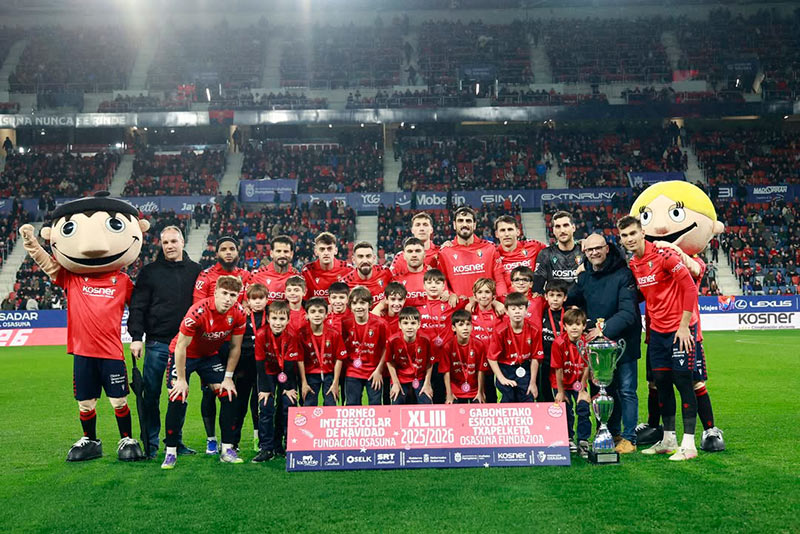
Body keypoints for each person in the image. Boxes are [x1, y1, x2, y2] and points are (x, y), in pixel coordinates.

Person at [19, 193, 149, 462]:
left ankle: (126, 438)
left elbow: (139, 309)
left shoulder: (122, 280)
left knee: (119, 401)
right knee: (86, 403)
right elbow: (46, 262)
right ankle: (90, 440)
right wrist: (31, 242)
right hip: (83, 353)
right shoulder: (71, 277)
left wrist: (138, 336)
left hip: (112, 352)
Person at [618, 215, 699, 461]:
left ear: (642, 233)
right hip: (657, 333)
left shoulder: (665, 255)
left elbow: (690, 287)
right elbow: (645, 295)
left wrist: (684, 326)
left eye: (633, 233)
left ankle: (689, 445)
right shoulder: (634, 264)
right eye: (624, 235)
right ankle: (668, 440)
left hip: (679, 331)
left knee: (683, 383)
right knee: (661, 384)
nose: (629, 239)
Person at [128, 225, 202, 459]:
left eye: (173, 241)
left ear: (182, 242)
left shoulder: (196, 271)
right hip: (156, 344)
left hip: (184, 346)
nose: (169, 246)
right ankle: (150, 444)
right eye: (165, 242)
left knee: (179, 395)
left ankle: (175, 442)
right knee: (150, 395)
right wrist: (136, 337)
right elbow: (138, 306)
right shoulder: (149, 272)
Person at [567, 233, 642, 454]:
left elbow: (628, 313)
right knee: (605, 391)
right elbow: (571, 300)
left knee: (626, 390)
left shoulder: (623, 274)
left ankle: (629, 438)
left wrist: (602, 329)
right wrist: (577, 277)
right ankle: (610, 432)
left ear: (607, 248)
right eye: (590, 250)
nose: (594, 253)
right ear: (585, 252)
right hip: (598, 348)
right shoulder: (585, 276)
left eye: (598, 248)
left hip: (624, 344)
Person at [161, 276, 246, 469]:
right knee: (177, 396)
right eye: (224, 293)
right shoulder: (198, 311)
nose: (228, 299)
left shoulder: (239, 313)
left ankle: (227, 450)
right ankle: (171, 452)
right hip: (185, 355)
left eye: (233, 295)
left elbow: (235, 347)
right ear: (215, 292)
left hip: (209, 356)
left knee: (228, 394)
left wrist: (228, 378)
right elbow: (181, 347)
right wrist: (181, 379)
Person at [193, 236, 250, 455]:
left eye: (232, 248)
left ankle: (232, 440)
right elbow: (198, 306)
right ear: (216, 253)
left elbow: (247, 305)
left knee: (234, 392)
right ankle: (211, 439)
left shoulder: (245, 276)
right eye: (223, 249)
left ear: (237, 251)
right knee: (209, 393)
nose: (228, 252)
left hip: (235, 343)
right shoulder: (206, 276)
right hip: (210, 345)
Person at [253, 300, 302, 463]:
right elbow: (260, 364)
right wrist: (265, 389)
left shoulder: (292, 335)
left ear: (288, 320)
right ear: (268, 318)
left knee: (288, 405)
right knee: (265, 406)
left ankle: (289, 446)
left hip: (287, 374)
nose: (278, 323)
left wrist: (288, 388)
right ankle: (266, 448)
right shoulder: (261, 334)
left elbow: (289, 365)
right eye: (274, 318)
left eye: (282, 319)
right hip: (267, 374)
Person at [438, 206, 508, 300]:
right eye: (460, 221)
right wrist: (450, 294)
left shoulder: (490, 248)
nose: (464, 224)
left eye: (468, 221)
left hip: (486, 306)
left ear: (474, 225)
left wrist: (502, 301)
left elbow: (499, 280)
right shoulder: (445, 252)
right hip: (459, 308)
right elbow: (442, 282)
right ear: (454, 225)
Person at [487, 292, 543, 403]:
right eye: (513, 309)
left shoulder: (534, 330)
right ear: (506, 311)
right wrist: (501, 378)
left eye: (521, 308)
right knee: (507, 402)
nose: (517, 311)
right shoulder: (500, 331)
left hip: (525, 368)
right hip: (505, 369)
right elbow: (491, 358)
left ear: (526, 310)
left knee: (528, 400)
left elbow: (536, 357)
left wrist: (532, 382)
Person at [550, 308, 591, 457]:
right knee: (565, 409)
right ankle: (567, 438)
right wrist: (561, 392)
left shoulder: (586, 343)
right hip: (561, 383)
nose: (574, 327)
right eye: (571, 324)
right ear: (564, 326)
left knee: (583, 407)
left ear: (584, 326)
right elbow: (558, 369)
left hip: (578, 382)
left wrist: (582, 390)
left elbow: (586, 366)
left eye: (578, 324)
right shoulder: (559, 343)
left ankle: (583, 440)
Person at [234, 283, 268, 453]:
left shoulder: (271, 317)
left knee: (259, 405)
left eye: (261, 298)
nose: (258, 302)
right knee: (239, 405)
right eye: (254, 299)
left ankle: (258, 439)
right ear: (247, 301)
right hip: (244, 368)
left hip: (263, 368)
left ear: (267, 300)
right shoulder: (243, 317)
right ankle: (233, 442)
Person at [297, 297, 347, 406]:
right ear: (306, 315)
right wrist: (304, 382)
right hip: (309, 375)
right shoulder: (301, 334)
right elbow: (300, 360)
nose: (317, 315)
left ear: (326, 315)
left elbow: (339, 358)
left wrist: (336, 382)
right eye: (313, 312)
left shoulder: (334, 333)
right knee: (308, 405)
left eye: (320, 311)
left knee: (331, 405)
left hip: (329, 374)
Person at [343, 286, 388, 405]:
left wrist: (379, 371)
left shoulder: (380, 323)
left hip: (374, 371)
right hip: (353, 370)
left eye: (362, 303)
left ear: (370, 304)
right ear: (350, 306)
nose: (359, 307)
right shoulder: (345, 322)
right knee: (352, 406)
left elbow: (386, 348)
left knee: (375, 406)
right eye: (354, 303)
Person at [385, 307, 433, 404]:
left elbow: (429, 362)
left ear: (419, 324)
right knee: (396, 405)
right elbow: (389, 361)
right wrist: (395, 382)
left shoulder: (426, 340)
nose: (409, 327)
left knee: (426, 406)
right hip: (400, 378)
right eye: (405, 323)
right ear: (400, 325)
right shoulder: (392, 340)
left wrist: (427, 383)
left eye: (413, 323)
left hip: (420, 377)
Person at [442, 310, 488, 404]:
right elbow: (446, 372)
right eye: (461, 325)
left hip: (474, 391)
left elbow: (481, 370)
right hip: (455, 391)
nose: (465, 328)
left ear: (472, 327)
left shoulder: (479, 345)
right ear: (453, 328)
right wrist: (449, 393)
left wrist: (480, 392)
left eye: (468, 324)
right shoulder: (448, 346)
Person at [533, 211, 584, 295]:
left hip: (581, 302)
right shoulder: (546, 254)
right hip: (556, 302)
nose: (562, 230)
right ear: (553, 230)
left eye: (566, 225)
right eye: (557, 227)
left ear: (573, 228)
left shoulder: (584, 251)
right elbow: (537, 288)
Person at [537, 280, 570, 404]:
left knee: (564, 396)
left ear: (565, 297)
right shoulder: (541, 313)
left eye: (559, 295)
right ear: (546, 296)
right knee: (545, 395)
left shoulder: (569, 314)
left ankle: (567, 416)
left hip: (564, 362)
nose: (555, 299)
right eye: (551, 295)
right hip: (545, 361)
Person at [494, 214, 546, 289]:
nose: (507, 234)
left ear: (518, 232)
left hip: (531, 295)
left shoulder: (534, 246)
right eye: (502, 230)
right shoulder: (493, 254)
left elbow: (553, 251)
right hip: (506, 296)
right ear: (496, 234)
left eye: (510, 229)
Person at [249, 235, 299, 303]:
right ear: (271, 253)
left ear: (291, 254)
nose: (282, 255)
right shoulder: (257, 276)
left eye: (286, 251)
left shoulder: (297, 277)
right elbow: (247, 304)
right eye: (278, 251)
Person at [302, 232, 352, 299]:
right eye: (322, 249)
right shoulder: (307, 271)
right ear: (316, 252)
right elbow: (304, 300)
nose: (326, 253)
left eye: (329, 249)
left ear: (336, 251)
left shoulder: (348, 270)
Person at [390, 236, 429, 307]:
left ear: (424, 254)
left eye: (418, 251)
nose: (414, 255)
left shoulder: (435, 279)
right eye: (410, 251)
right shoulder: (396, 281)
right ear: (404, 256)